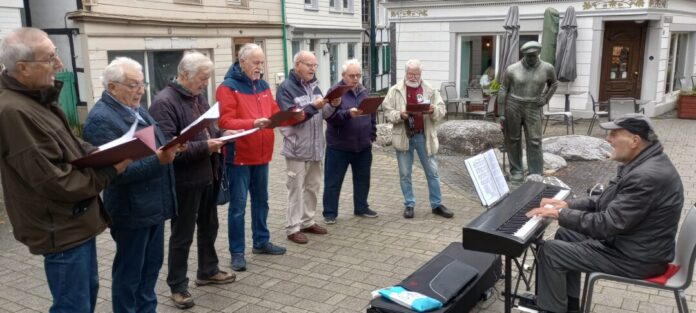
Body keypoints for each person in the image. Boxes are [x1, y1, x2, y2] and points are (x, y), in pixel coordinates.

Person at [0, 27, 130, 313]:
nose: (59, 65)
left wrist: (99, 152)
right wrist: (109, 172)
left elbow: (69, 143)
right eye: (50, 58)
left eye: (56, 55)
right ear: (22, 68)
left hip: (75, 222)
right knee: (74, 306)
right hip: (59, 227)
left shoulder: (38, 99)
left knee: (86, 295)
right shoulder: (14, 111)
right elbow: (54, 181)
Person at [526, 113, 684, 313]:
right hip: (635, 245)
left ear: (635, 140)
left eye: (615, 134)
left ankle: (552, 310)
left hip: (637, 259)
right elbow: (604, 202)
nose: (608, 139)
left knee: (551, 251)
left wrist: (560, 215)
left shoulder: (646, 176)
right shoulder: (643, 163)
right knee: (566, 235)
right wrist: (567, 205)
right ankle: (570, 306)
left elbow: (606, 224)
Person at [82, 57, 183, 313]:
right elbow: (113, 173)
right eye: (132, 85)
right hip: (131, 211)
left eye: (142, 83)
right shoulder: (100, 120)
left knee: (150, 270)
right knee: (130, 274)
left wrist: (172, 148)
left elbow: (156, 144)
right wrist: (159, 160)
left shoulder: (137, 109)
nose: (140, 90)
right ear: (112, 87)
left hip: (154, 205)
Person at [149, 51, 236, 309]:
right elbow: (169, 148)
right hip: (184, 181)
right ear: (185, 75)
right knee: (182, 235)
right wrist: (207, 146)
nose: (205, 83)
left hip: (208, 173)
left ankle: (208, 270)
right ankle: (177, 285)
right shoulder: (164, 103)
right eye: (202, 78)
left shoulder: (196, 96)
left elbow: (206, 129)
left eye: (207, 78)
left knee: (209, 226)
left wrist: (223, 133)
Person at [217, 43, 295, 271]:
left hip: (262, 155)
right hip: (239, 156)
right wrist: (252, 123)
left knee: (262, 202)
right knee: (238, 207)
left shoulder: (262, 85)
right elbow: (225, 122)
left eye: (262, 62)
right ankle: (237, 252)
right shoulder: (227, 88)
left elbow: (273, 114)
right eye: (256, 62)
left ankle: (261, 242)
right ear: (242, 62)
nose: (260, 67)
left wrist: (297, 115)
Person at [276, 51, 339, 244]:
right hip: (296, 148)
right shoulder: (286, 88)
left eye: (315, 65)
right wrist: (314, 106)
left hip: (315, 147)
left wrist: (333, 105)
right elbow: (292, 117)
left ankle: (307, 221)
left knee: (312, 187)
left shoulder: (315, 86)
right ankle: (292, 228)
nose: (313, 68)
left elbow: (323, 114)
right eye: (309, 65)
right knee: (295, 188)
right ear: (297, 66)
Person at [382, 59, 453, 220]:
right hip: (405, 135)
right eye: (410, 73)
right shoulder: (395, 90)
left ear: (421, 74)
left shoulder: (429, 89)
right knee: (405, 173)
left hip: (424, 135)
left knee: (432, 172)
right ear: (405, 73)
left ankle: (437, 204)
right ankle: (409, 204)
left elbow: (442, 110)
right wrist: (400, 115)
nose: (413, 77)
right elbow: (387, 112)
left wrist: (434, 110)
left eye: (416, 74)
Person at [322, 59, 378, 225]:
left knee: (363, 179)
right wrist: (348, 114)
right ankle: (330, 213)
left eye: (358, 75)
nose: (355, 79)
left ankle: (361, 207)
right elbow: (330, 118)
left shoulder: (363, 91)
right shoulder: (335, 92)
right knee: (333, 182)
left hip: (363, 145)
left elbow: (371, 114)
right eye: (351, 76)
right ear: (343, 76)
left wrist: (372, 134)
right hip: (339, 146)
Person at [498, 41, 558, 183]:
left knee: (535, 140)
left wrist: (545, 98)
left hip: (533, 107)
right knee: (513, 140)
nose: (531, 59)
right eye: (528, 56)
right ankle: (516, 171)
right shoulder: (512, 69)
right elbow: (503, 90)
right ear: (523, 54)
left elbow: (554, 83)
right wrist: (501, 113)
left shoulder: (547, 68)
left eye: (534, 56)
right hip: (513, 105)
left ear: (538, 54)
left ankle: (536, 172)